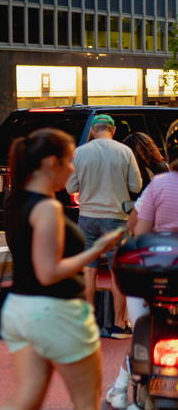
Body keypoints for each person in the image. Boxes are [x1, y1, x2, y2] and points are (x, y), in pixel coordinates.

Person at [0, 128, 123, 410]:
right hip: (56, 310)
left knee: (25, 401)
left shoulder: (16, 202)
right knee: (85, 403)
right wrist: (97, 249)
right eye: (69, 162)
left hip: (20, 309)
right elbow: (49, 272)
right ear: (50, 163)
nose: (73, 169)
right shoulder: (47, 208)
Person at [104, 158, 178, 409]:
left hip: (153, 274)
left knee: (141, 332)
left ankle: (121, 388)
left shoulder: (158, 184)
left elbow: (140, 231)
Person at [66, 114, 142, 339]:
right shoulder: (124, 151)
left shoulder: (79, 153)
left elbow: (71, 188)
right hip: (115, 218)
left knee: (88, 270)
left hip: (87, 216)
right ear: (113, 130)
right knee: (116, 270)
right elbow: (135, 185)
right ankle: (119, 324)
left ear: (92, 131)